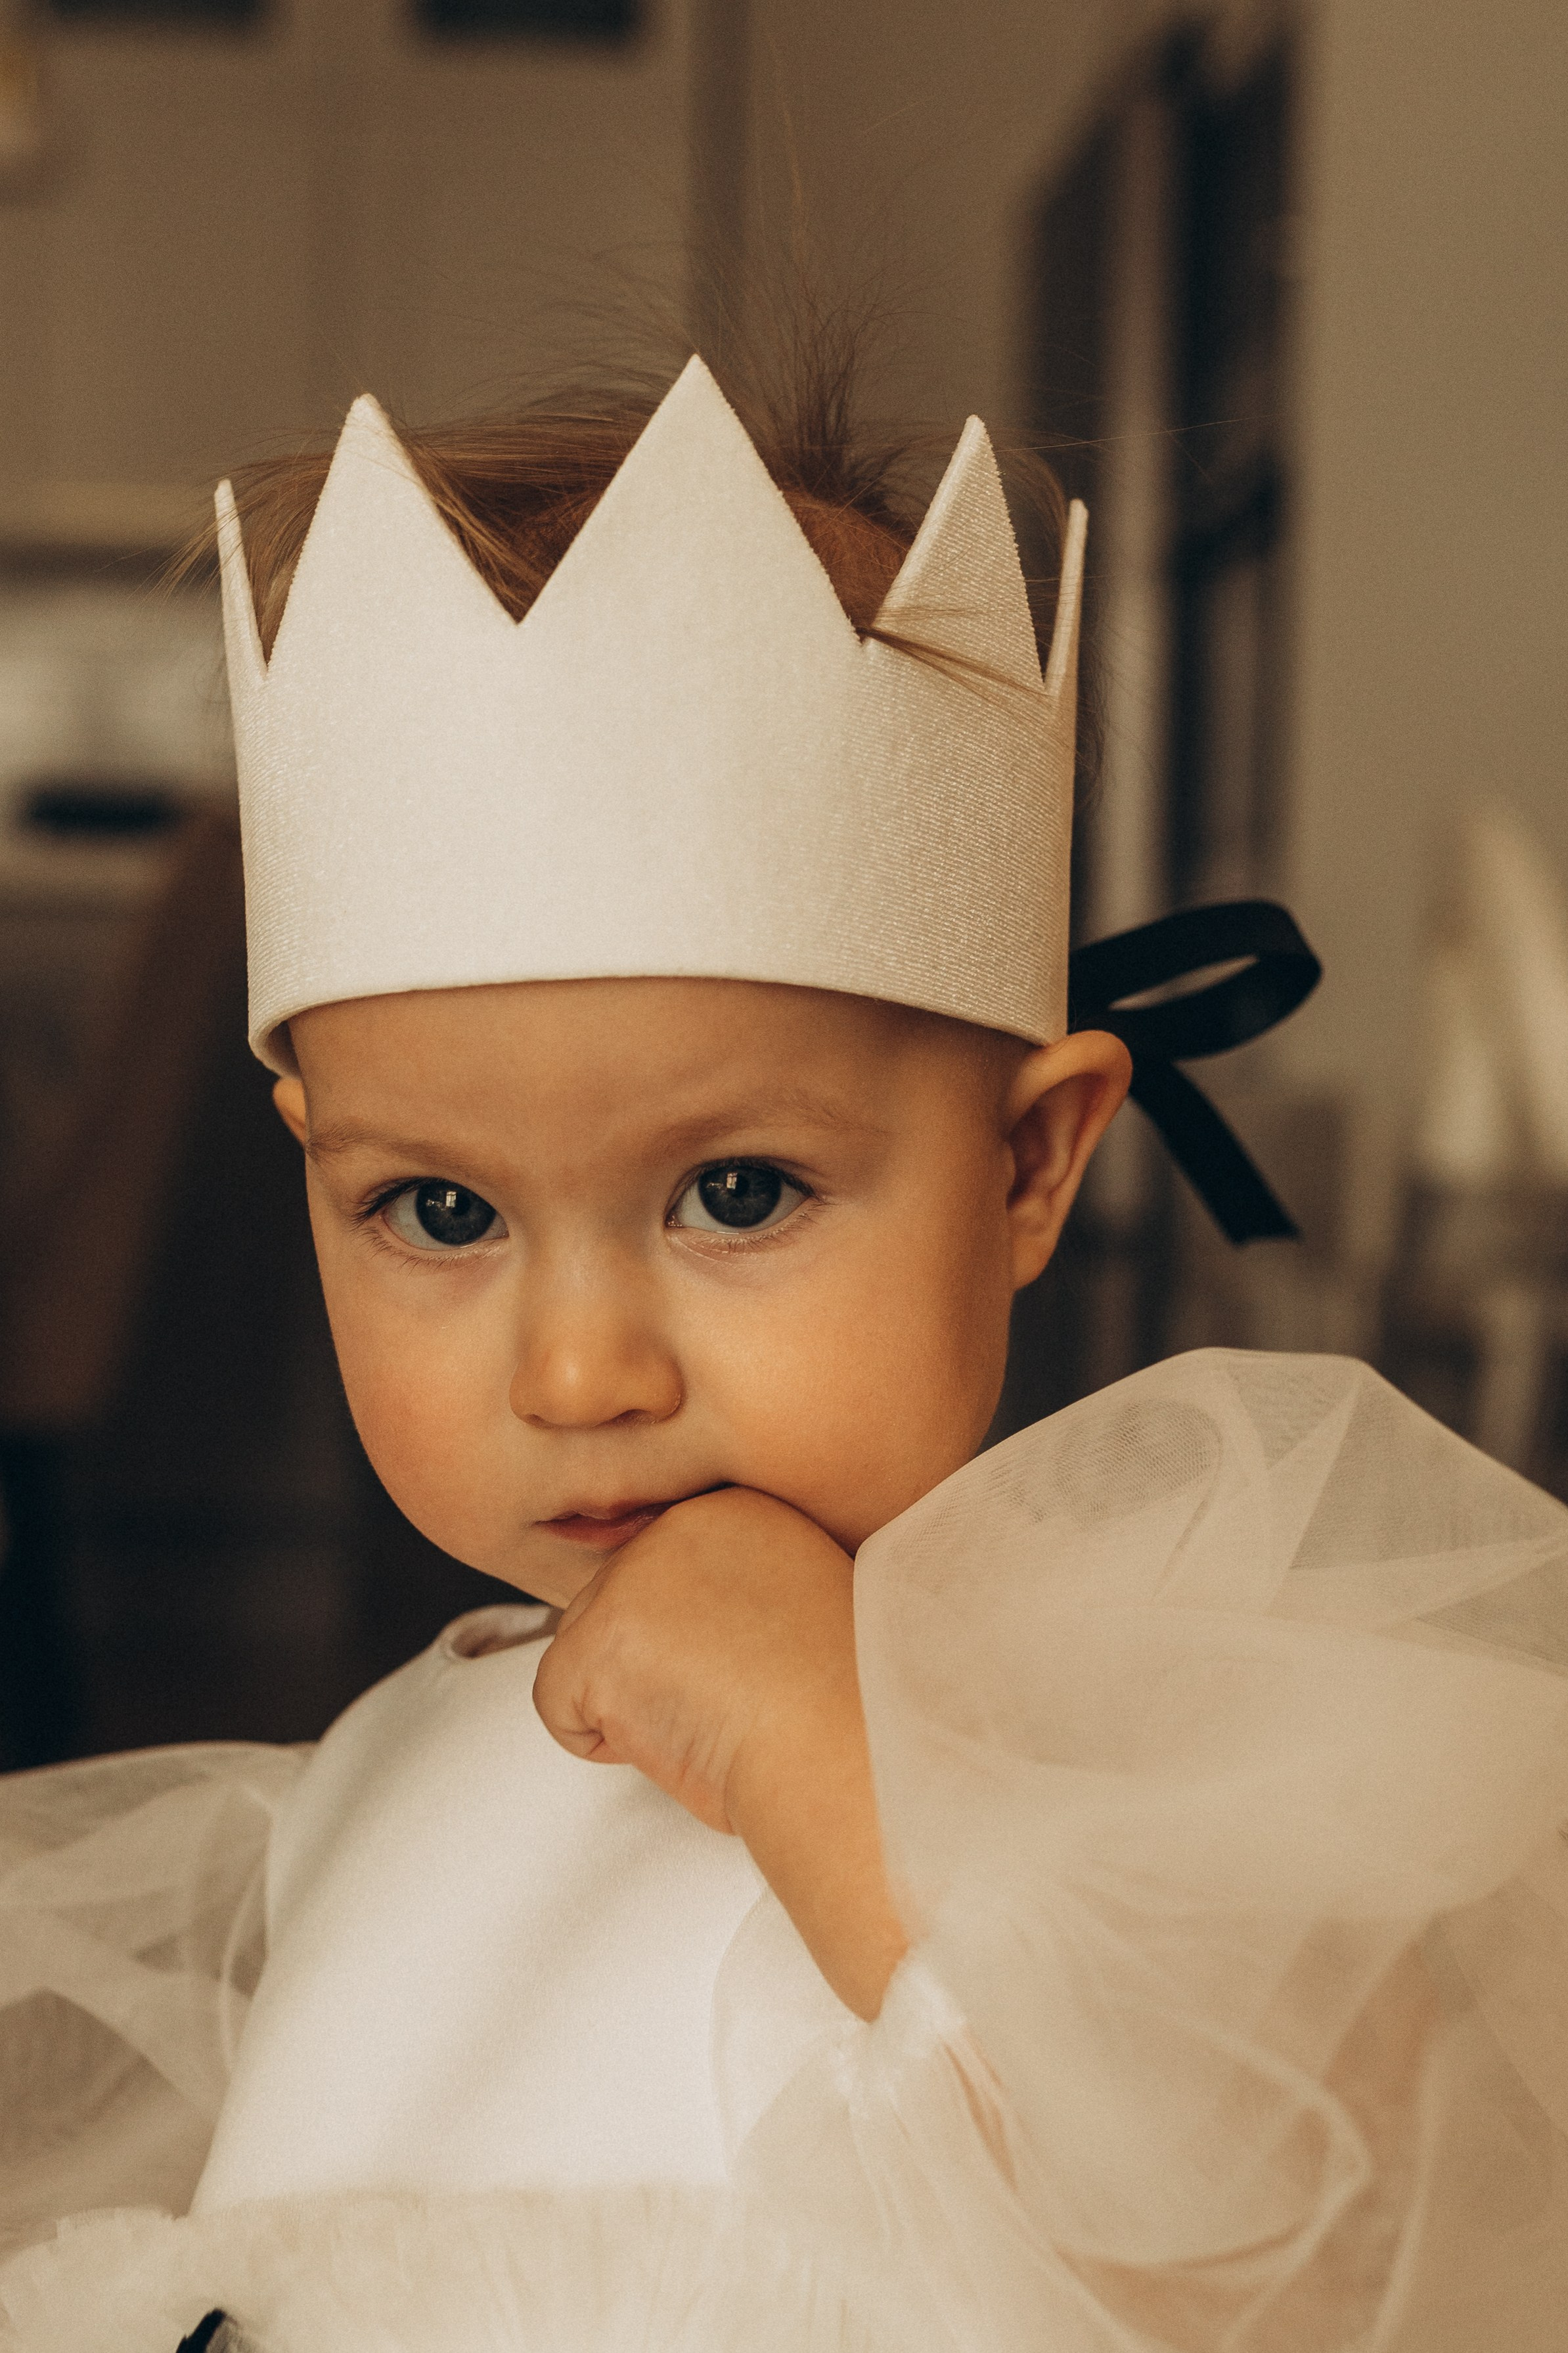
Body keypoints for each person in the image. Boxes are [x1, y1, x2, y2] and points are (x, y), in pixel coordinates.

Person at [1, 344, 1565, 2353]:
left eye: (735, 1194)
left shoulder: (1144, 1740)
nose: (579, 1376)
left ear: (1025, 1164)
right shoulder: (371, 1771)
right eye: (442, 1214)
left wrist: (831, 1756)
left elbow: (1299, 2274)